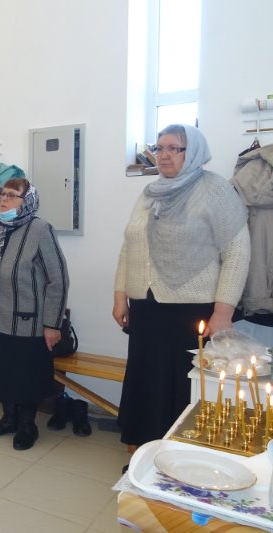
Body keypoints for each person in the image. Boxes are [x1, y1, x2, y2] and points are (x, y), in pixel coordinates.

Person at [113, 124, 251, 451]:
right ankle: (146, 451)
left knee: (182, 385)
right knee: (147, 381)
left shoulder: (215, 190)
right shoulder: (150, 193)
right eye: (159, 148)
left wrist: (223, 312)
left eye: (174, 148)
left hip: (191, 310)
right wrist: (120, 296)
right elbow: (130, 245)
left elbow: (237, 251)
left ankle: (181, 456)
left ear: (194, 152)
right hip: (147, 308)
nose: (164, 155)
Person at [0, 178, 69, 451]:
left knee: (25, 375)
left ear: (28, 202)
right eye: (3, 194)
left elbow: (58, 279)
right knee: (1, 371)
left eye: (12, 195)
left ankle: (27, 425)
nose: (4, 199)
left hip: (27, 322)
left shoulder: (40, 230)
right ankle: (8, 418)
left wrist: (52, 324)